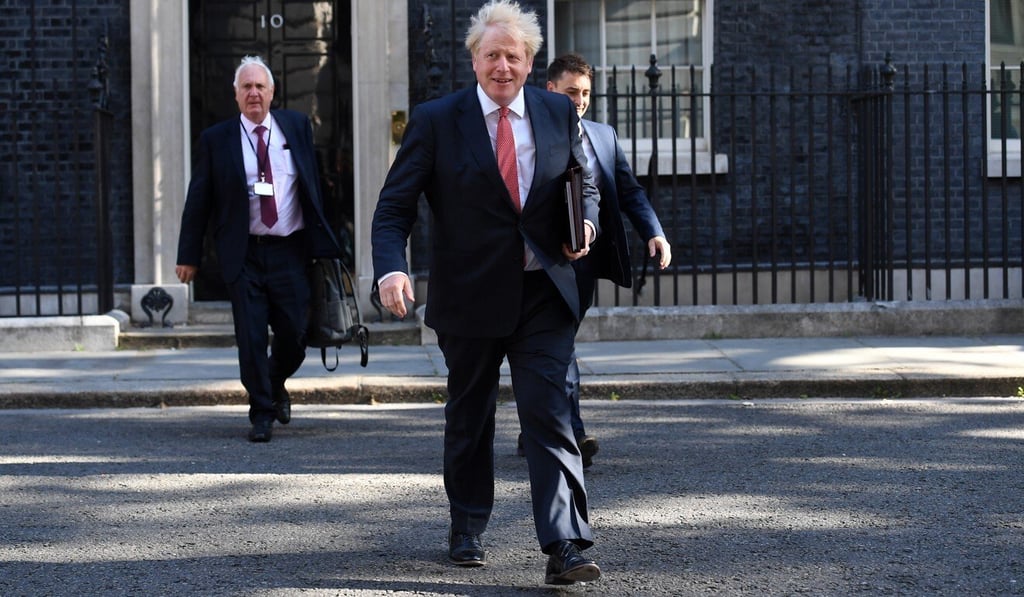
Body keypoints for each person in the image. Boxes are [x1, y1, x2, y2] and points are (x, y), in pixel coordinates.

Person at [371, 0, 603, 586]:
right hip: (469, 296)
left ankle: (566, 543)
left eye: (515, 55)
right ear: (474, 59)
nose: (503, 65)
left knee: (549, 415)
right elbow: (394, 207)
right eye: (492, 54)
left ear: (530, 62)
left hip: (542, 292)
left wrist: (589, 225)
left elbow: (586, 180)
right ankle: (467, 524)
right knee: (470, 417)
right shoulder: (436, 119)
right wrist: (391, 269)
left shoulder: (556, 111)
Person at [516, 53, 673, 467]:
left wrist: (653, 231)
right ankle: (573, 433)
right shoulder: (528, 134)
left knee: (556, 346)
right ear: (550, 90)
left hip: (585, 260)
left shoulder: (604, 135)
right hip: (545, 259)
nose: (580, 100)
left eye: (585, 92)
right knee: (559, 344)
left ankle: (538, 421)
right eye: (572, 92)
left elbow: (630, 190)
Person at [176, 55, 341, 443]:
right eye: (246, 87)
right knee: (250, 338)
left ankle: (274, 382)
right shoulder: (216, 139)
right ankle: (262, 412)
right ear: (235, 95)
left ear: (272, 92)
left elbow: (315, 186)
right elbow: (198, 199)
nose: (254, 93)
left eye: (260, 86)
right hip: (244, 253)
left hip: (290, 250)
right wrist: (189, 255)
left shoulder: (296, 127)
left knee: (296, 334)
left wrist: (329, 241)